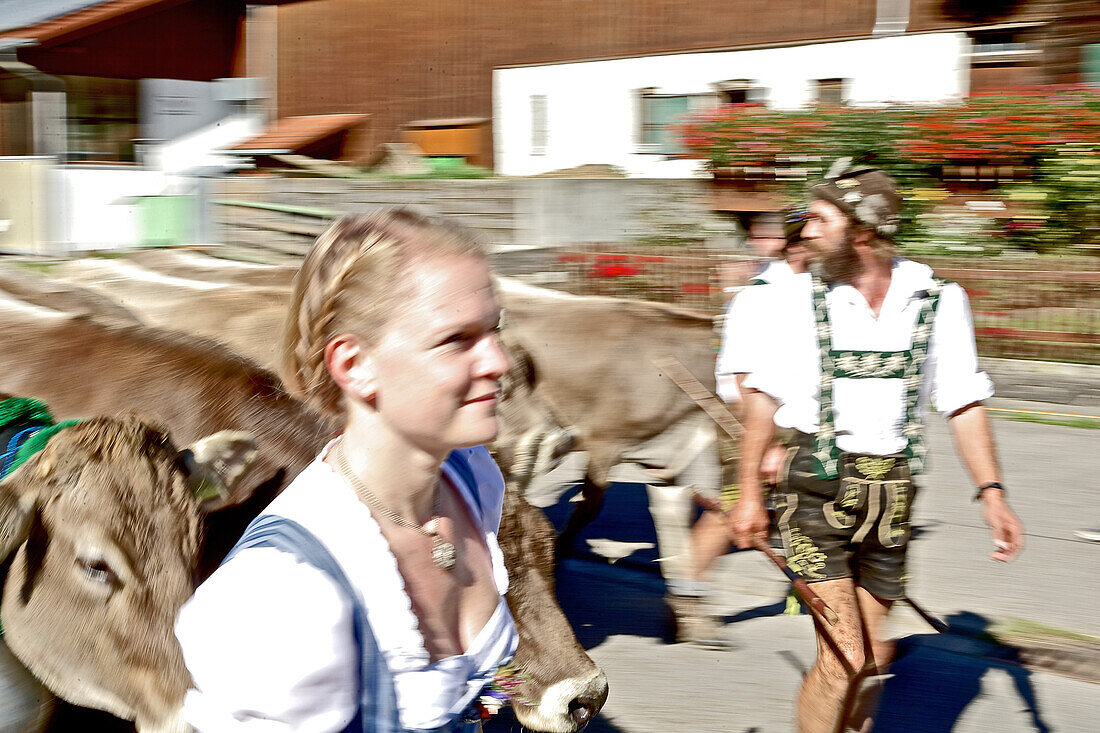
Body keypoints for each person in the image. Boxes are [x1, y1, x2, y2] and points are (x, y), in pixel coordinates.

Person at [175, 210, 517, 732]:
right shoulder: (282, 598)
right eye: (456, 340)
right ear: (354, 365)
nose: (499, 361)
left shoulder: (471, 478)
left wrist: (508, 697)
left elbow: (489, 684)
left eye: (494, 330)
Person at [727, 161, 1024, 733]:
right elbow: (761, 402)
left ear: (862, 230)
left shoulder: (938, 300)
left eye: (818, 218)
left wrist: (992, 493)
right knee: (844, 658)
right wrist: (746, 496)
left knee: (867, 660)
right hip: (813, 493)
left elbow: (962, 402)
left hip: (890, 501)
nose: (805, 230)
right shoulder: (797, 301)